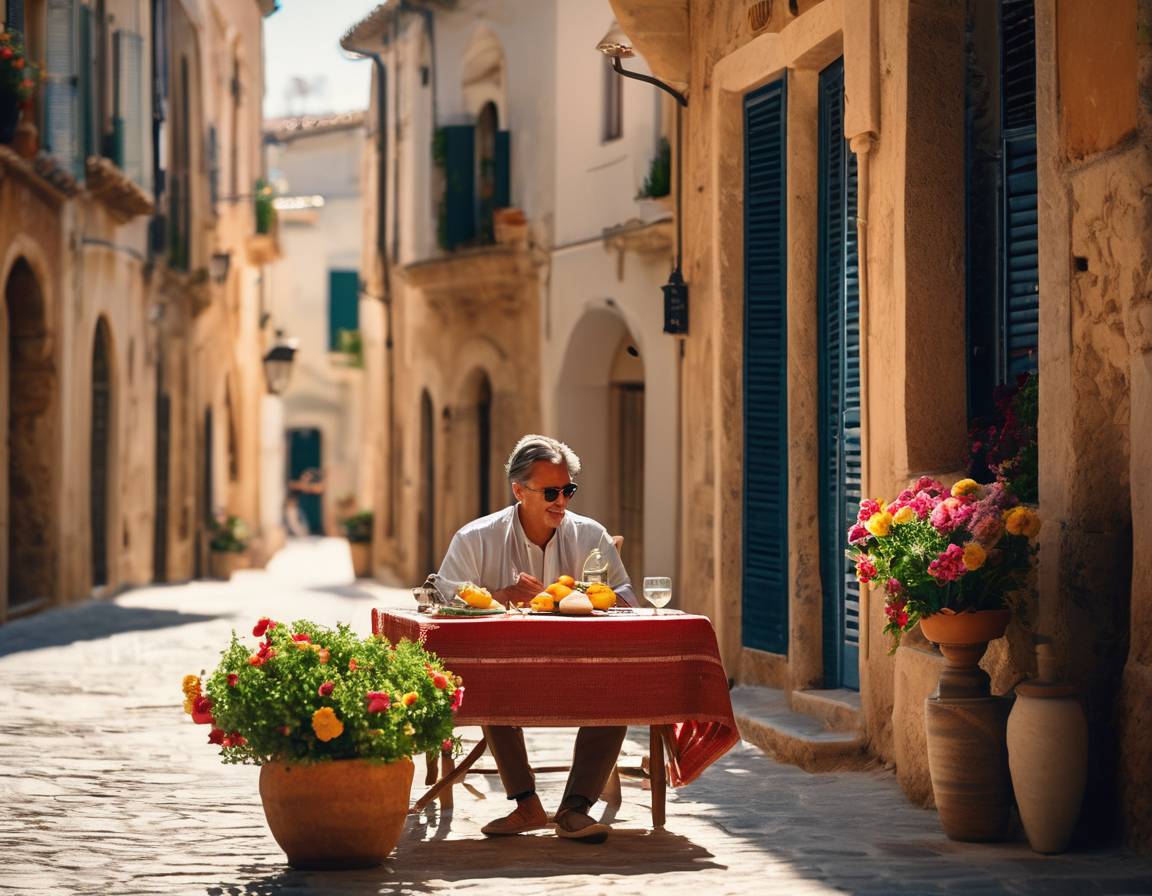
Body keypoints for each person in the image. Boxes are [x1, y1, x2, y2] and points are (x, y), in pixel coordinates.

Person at [435, 434, 636, 844]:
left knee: (623, 684)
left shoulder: (591, 536)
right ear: (518, 490)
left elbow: (627, 599)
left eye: (568, 490)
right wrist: (502, 597)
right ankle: (526, 802)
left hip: (582, 672)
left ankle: (575, 808)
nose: (561, 501)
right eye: (550, 492)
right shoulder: (476, 538)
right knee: (484, 677)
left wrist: (579, 598)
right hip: (507, 675)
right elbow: (443, 599)